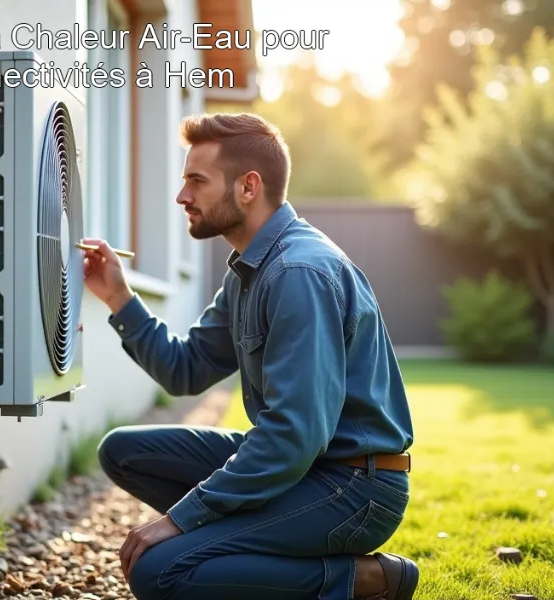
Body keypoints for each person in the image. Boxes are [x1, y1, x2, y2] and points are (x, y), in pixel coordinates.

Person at [79, 112, 419, 600]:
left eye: (197, 181)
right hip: (307, 467)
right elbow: (186, 368)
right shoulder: (251, 269)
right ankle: (234, 550)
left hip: (352, 488)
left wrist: (182, 517)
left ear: (248, 187)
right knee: (124, 452)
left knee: (159, 572)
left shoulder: (298, 273)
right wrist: (119, 298)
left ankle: (364, 580)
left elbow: (293, 436)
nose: (182, 197)